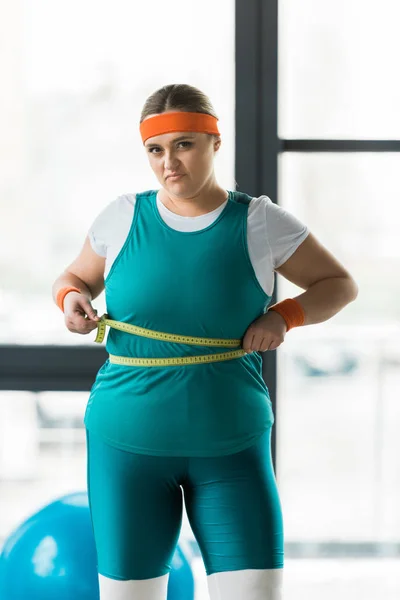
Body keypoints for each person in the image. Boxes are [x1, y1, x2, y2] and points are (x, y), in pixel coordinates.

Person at [52, 83, 358, 600]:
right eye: (156, 149)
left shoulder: (260, 221)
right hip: (127, 447)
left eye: (184, 144)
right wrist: (71, 303)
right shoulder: (121, 217)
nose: (169, 162)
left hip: (231, 447)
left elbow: (339, 285)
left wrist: (285, 316)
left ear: (215, 143)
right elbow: (73, 279)